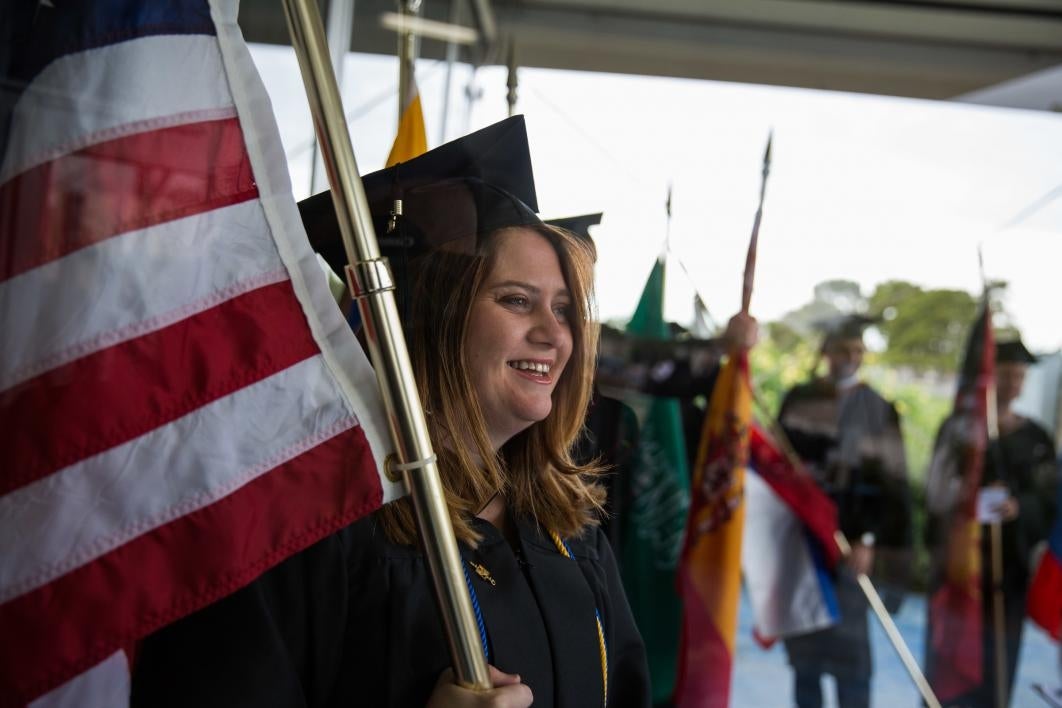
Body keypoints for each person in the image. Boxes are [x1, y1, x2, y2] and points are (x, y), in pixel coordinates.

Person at [131, 116, 651, 707]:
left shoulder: (570, 532)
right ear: (432, 321)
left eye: (564, 311)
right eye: (516, 301)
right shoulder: (315, 531)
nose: (554, 335)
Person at [777, 315, 912, 708]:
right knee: (805, 660)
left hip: (850, 547)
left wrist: (869, 539)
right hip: (803, 547)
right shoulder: (799, 400)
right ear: (826, 353)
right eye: (842, 350)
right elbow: (779, 466)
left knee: (851, 662)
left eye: (857, 351)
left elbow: (891, 484)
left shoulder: (879, 410)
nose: (850, 358)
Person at [925, 337, 1057, 707]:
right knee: (947, 664)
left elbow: (1047, 501)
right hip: (960, 570)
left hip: (1006, 575)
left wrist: (1019, 506)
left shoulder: (1036, 438)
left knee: (996, 670)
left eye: (1020, 376)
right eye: (1006, 374)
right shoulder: (959, 429)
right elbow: (936, 494)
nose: (1014, 384)